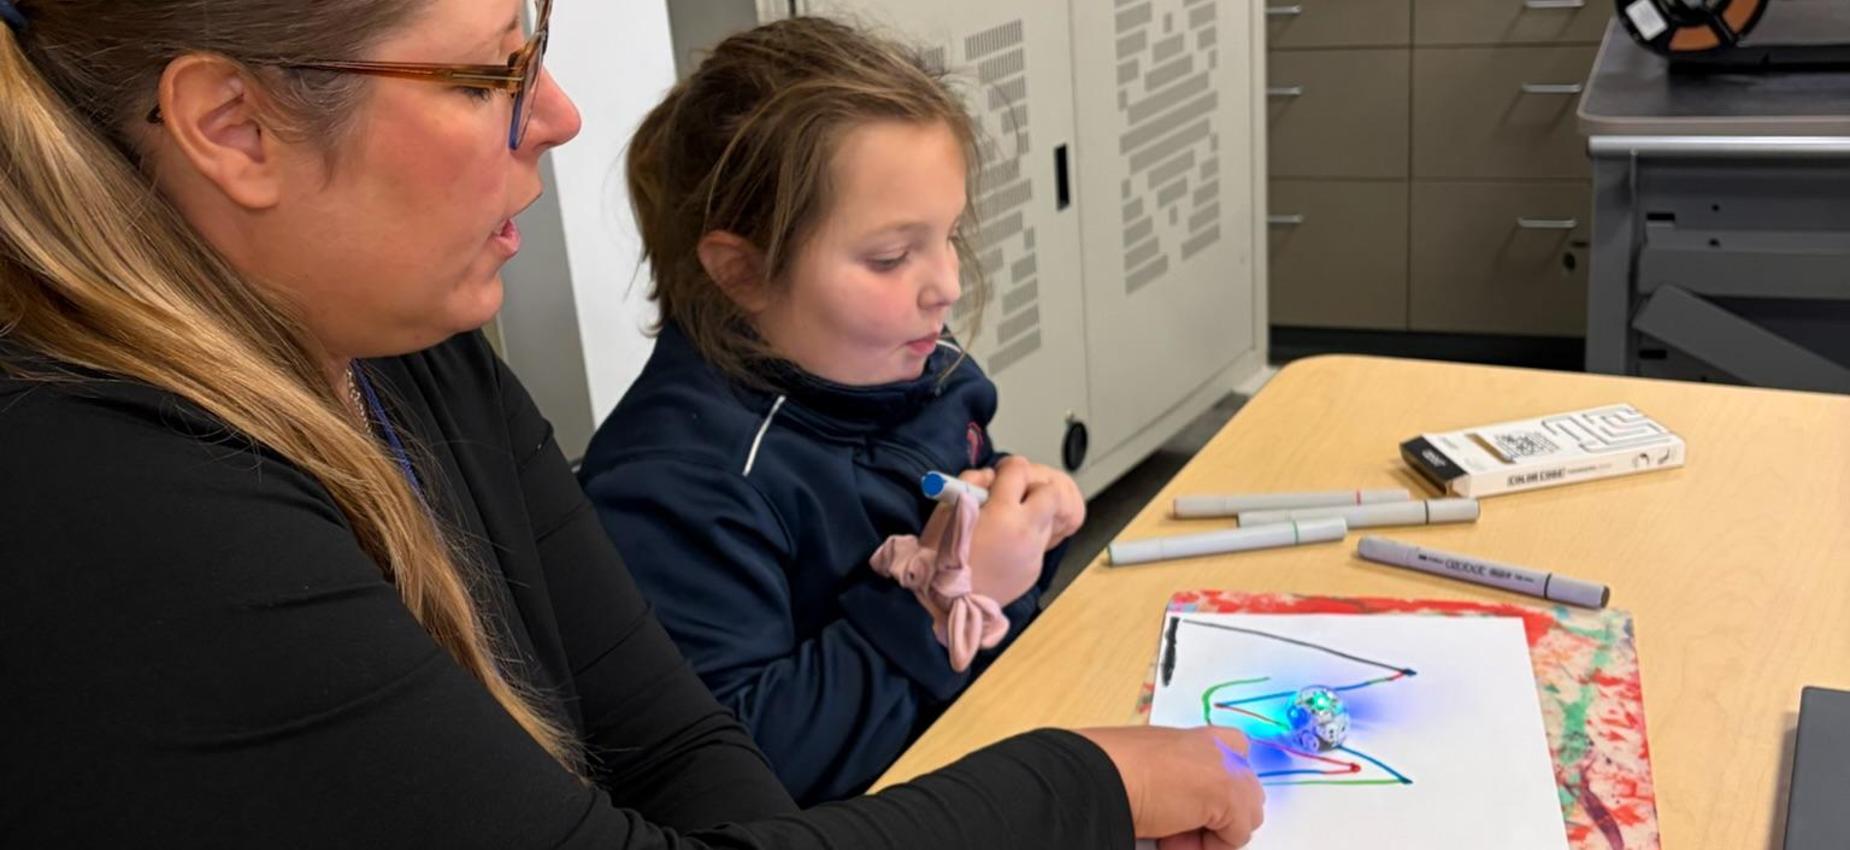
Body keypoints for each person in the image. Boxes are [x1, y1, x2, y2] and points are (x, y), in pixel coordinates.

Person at [0, 1, 1263, 847]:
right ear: (233, 126)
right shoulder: (114, 494)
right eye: (493, 67)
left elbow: (672, 742)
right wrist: (1080, 784)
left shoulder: (418, 355)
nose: (556, 112)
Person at [577, 17, 1086, 804]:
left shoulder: (921, 369)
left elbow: (985, 572)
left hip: (988, 757)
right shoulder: (675, 485)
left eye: (949, 236)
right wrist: (941, 598)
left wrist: (1026, 529)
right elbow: (748, 767)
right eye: (891, 257)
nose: (945, 284)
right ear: (741, 272)